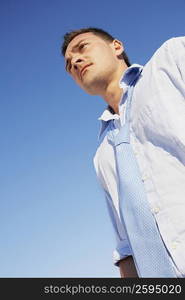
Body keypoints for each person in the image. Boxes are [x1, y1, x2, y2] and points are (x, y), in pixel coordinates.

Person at [61, 27, 185, 278]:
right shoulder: (102, 156)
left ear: (116, 47)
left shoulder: (170, 61)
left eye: (82, 47)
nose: (75, 61)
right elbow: (126, 247)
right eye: (68, 65)